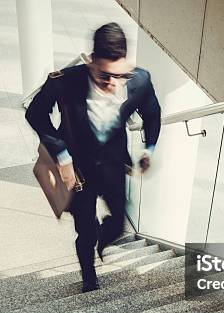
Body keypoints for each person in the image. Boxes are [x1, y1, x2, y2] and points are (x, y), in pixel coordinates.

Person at [26, 22, 161, 293]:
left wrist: (149, 148)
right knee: (85, 232)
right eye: (104, 74)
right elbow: (35, 114)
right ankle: (89, 277)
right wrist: (62, 155)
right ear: (90, 62)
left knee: (119, 225)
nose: (113, 83)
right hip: (78, 173)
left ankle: (102, 238)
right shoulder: (64, 81)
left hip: (113, 165)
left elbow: (152, 114)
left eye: (119, 76)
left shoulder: (140, 80)